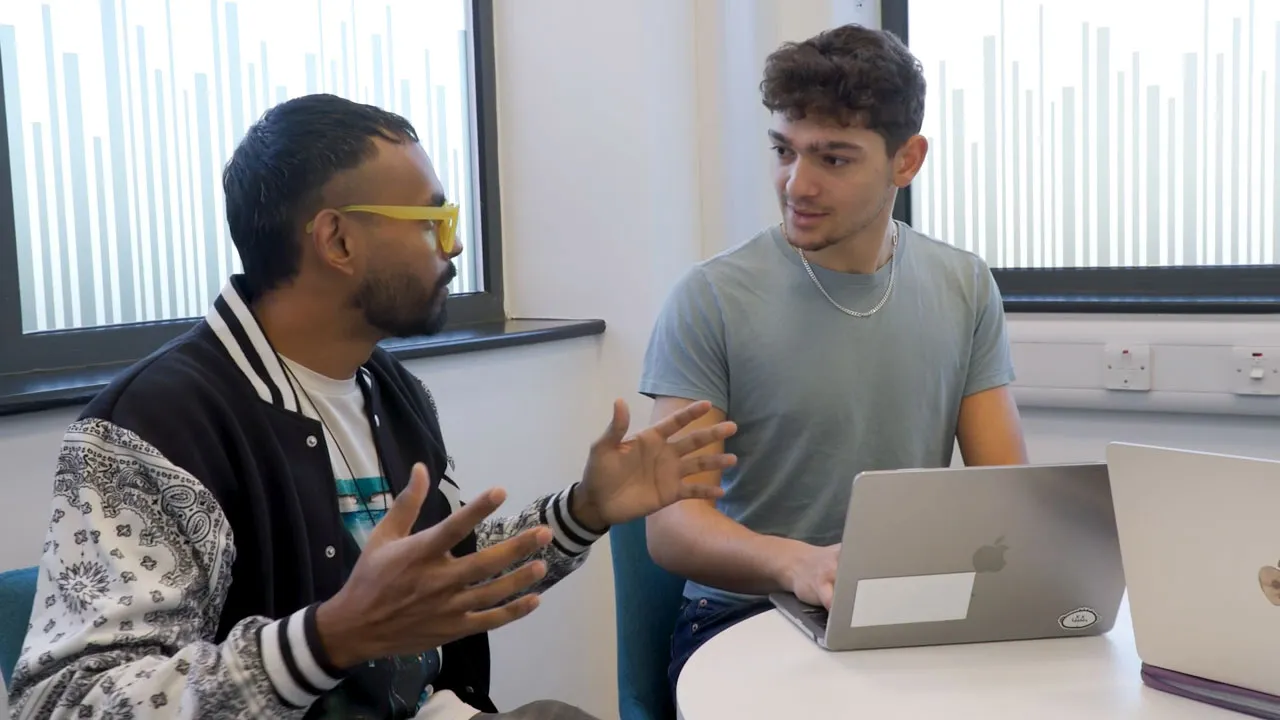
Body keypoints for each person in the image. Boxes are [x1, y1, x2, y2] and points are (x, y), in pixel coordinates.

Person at [7, 94, 739, 720]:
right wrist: (327, 639)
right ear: (337, 239)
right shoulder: (151, 430)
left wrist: (583, 510)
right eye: (431, 222)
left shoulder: (388, 389)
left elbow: (440, 582)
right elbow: (67, 701)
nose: (451, 251)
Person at [638, 24, 1029, 695]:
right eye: (784, 152)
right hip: (739, 615)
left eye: (833, 159)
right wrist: (799, 566)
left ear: (906, 162)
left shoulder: (963, 285)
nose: (797, 184)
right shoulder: (710, 298)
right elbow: (673, 529)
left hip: (900, 612)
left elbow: (1006, 497)